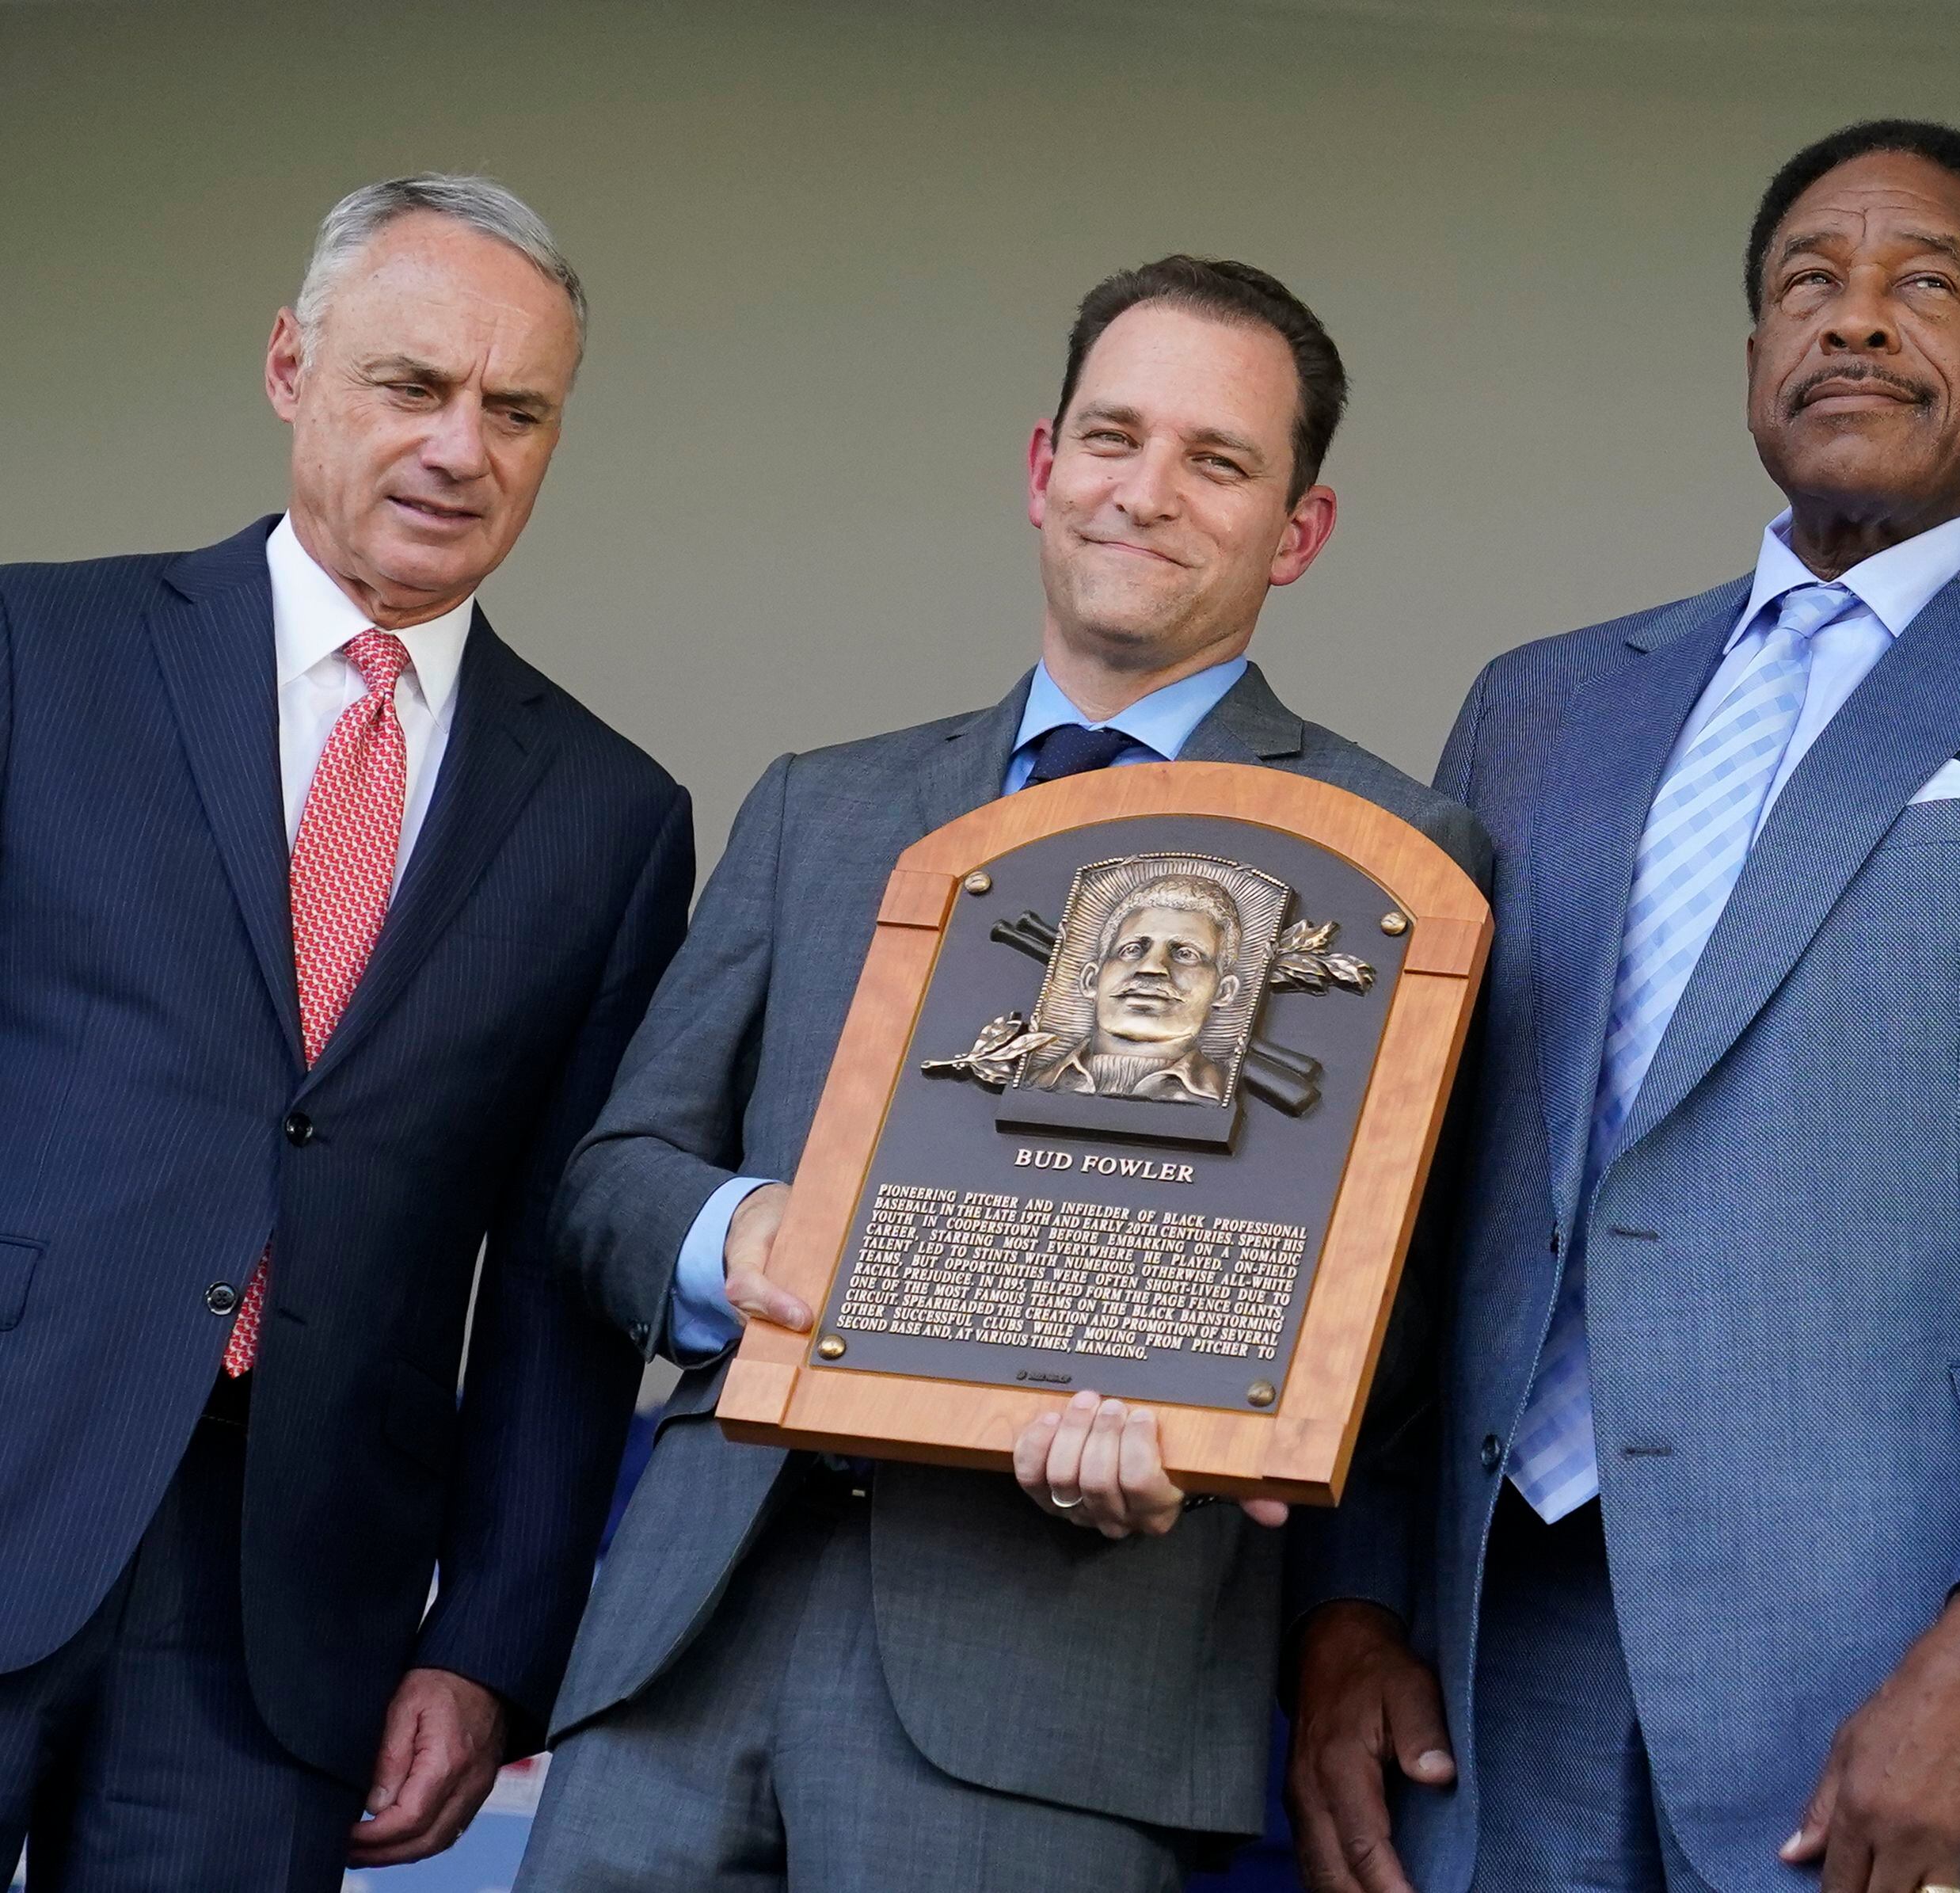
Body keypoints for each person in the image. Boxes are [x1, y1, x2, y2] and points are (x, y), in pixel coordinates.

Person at [1286, 119, 1960, 1893]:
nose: (1850, 321)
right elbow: (1409, 1183)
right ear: (1752, 357)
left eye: (1920, 283)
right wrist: (1351, 1599)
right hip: (1493, 1688)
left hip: (1902, 1678)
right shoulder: (1540, 706)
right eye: (1804, 285)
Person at [519, 256, 1491, 1893]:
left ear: (1297, 532)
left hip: (1053, 1686)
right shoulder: (821, 807)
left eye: (1217, 460)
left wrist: (1200, 1430)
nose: (1146, 492)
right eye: (1113, 437)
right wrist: (744, 1238)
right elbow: (615, 1174)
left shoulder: (1389, 855)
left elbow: (1399, 1317)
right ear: (1042, 467)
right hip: (682, 1648)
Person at [0, 175, 692, 1888]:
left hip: (283, 1615)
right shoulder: (37, 647)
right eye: (412, 385)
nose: (462, 447)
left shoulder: (610, 816)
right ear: (292, 367)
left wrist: (489, 1645)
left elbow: (556, 1275)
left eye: (516, 409)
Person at [1026, 873, 1247, 1101]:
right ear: (1091, 980)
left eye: (1185, 954)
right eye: (1131, 950)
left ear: (1224, 991)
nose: (1151, 968)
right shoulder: (1033, 1083)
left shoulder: (1226, 1095)